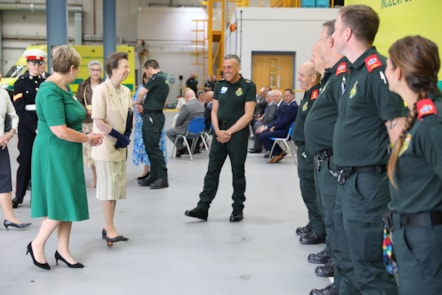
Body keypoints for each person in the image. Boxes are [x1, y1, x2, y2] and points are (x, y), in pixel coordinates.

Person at [331, 5, 405, 294]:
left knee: (369, 265)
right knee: (349, 259)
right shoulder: (353, 71)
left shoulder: (377, 71)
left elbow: (396, 131)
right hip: (348, 179)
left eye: (336, 29)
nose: (333, 35)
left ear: (347, 33)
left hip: (368, 184)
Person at [27, 45, 103, 270]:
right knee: (61, 199)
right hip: (54, 151)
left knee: (65, 200)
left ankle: (63, 250)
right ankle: (37, 244)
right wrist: (88, 139)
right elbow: (59, 129)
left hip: (66, 151)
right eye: (77, 69)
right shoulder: (50, 91)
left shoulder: (63, 88)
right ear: (72, 68)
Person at [386, 35, 442, 295]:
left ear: (398, 71)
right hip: (412, 237)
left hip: (425, 241)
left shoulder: (432, 123)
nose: (385, 70)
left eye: (388, 64)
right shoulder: (420, 116)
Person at [304, 20, 349, 295]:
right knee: (332, 218)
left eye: (321, 40)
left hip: (336, 161)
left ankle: (341, 279)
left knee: (339, 222)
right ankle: (339, 271)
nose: (318, 46)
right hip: (325, 158)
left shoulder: (342, 76)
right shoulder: (332, 78)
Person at [184, 54, 256, 222]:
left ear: (238, 67)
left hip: (237, 133)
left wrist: (229, 132)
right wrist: (217, 130)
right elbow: (214, 111)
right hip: (219, 131)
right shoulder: (219, 85)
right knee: (212, 170)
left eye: (229, 67)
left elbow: (248, 115)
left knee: (237, 171)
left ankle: (238, 208)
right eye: (224, 68)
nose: (226, 71)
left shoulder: (247, 86)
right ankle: (203, 207)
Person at [91, 52, 132, 247]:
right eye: (125, 66)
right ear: (114, 69)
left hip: (119, 147)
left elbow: (128, 114)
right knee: (108, 189)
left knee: (115, 189)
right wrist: (118, 135)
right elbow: (98, 121)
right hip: (105, 146)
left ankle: (109, 228)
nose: (128, 70)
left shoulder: (125, 91)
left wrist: (127, 134)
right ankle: (110, 228)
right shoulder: (101, 90)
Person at [292, 61, 326, 245]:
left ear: (313, 78)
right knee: (307, 188)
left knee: (310, 189)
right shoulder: (308, 94)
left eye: (302, 75)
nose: (298, 79)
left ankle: (319, 229)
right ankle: (313, 222)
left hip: (309, 149)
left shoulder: (316, 95)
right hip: (303, 147)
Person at [12, 49, 47, 208]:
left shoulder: (47, 81)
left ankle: (43, 196)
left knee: (44, 161)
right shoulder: (20, 82)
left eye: (40, 64)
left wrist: (43, 126)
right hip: (26, 127)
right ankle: (19, 195)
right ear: (27, 64)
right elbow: (19, 108)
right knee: (25, 160)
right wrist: (34, 127)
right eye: (33, 63)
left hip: (45, 125)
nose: (36, 67)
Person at [0, 74, 31, 230]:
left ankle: (9, 217)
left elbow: (13, 116)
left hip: (1, 144)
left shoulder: (4, 94)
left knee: (4, 180)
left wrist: (9, 134)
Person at [136, 59, 170, 190]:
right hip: (152, 115)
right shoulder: (163, 79)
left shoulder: (157, 77)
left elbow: (141, 92)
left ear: (149, 69)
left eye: (146, 71)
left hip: (153, 116)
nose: (147, 75)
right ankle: (154, 175)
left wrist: (139, 103)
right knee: (150, 147)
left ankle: (162, 177)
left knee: (153, 148)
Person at [76, 60, 104, 188]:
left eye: (98, 70)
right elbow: (78, 101)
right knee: (90, 151)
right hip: (87, 122)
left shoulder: (105, 85)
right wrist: (85, 110)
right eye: (93, 70)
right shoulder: (83, 85)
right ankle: (95, 178)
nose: (96, 72)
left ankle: (103, 177)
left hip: (102, 121)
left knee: (102, 149)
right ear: (89, 71)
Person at [259, 88, 298, 163]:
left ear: (292, 96)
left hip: (285, 131)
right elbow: (282, 120)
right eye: (284, 96)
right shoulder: (290, 105)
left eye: (287, 96)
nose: (285, 98)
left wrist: (275, 128)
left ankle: (278, 153)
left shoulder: (293, 107)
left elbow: (285, 121)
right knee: (264, 134)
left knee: (263, 136)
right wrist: (275, 127)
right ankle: (280, 152)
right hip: (283, 129)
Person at [166, 88, 205, 157]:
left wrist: (177, 126)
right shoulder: (201, 105)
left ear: (186, 97)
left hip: (187, 130)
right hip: (199, 131)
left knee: (169, 132)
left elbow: (179, 120)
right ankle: (180, 149)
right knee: (178, 130)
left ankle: (181, 148)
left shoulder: (186, 106)